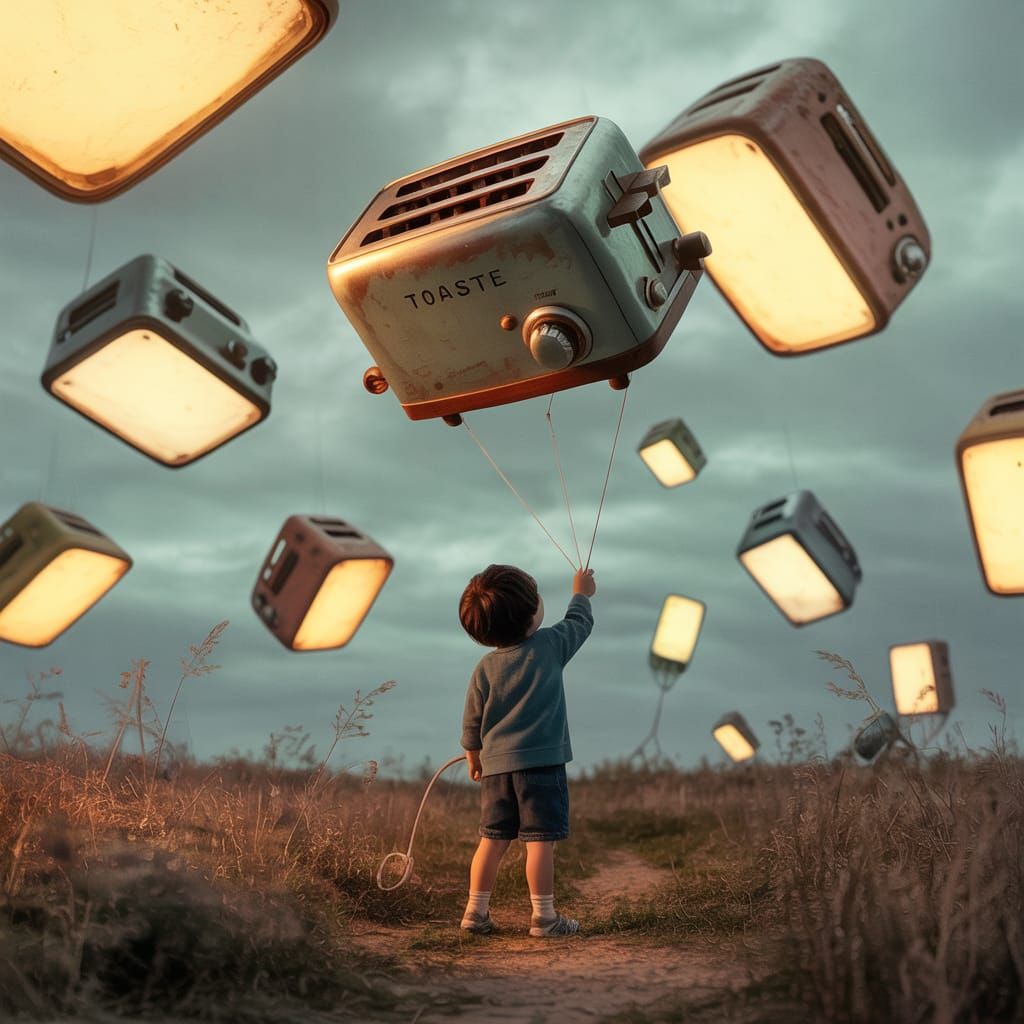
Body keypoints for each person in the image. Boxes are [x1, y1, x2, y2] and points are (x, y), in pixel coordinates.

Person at [457, 563, 596, 937]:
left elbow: (472, 723)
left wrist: (474, 757)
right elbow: (580, 624)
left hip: (496, 770)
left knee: (491, 841)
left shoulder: (485, 668)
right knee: (540, 845)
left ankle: (475, 913)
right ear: (534, 612)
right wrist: (581, 592)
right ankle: (544, 918)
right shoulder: (550, 646)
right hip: (542, 767)